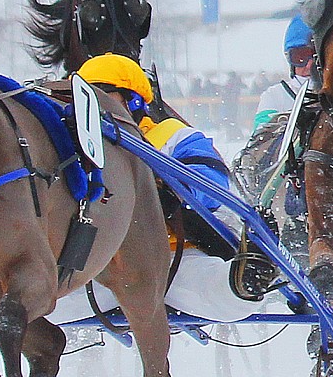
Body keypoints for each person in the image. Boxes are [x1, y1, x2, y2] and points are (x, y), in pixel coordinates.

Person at [77, 53, 277, 294]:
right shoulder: (76, 146)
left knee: (222, 290)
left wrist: (171, 195)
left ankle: (246, 280)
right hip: (103, 263)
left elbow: (212, 182)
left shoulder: (174, 137)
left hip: (179, 256)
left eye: (104, 98)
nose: (95, 110)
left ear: (134, 102)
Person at [252, 16, 315, 132]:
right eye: (300, 57)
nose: (310, 65)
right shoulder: (275, 96)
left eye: (318, 58)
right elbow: (261, 140)